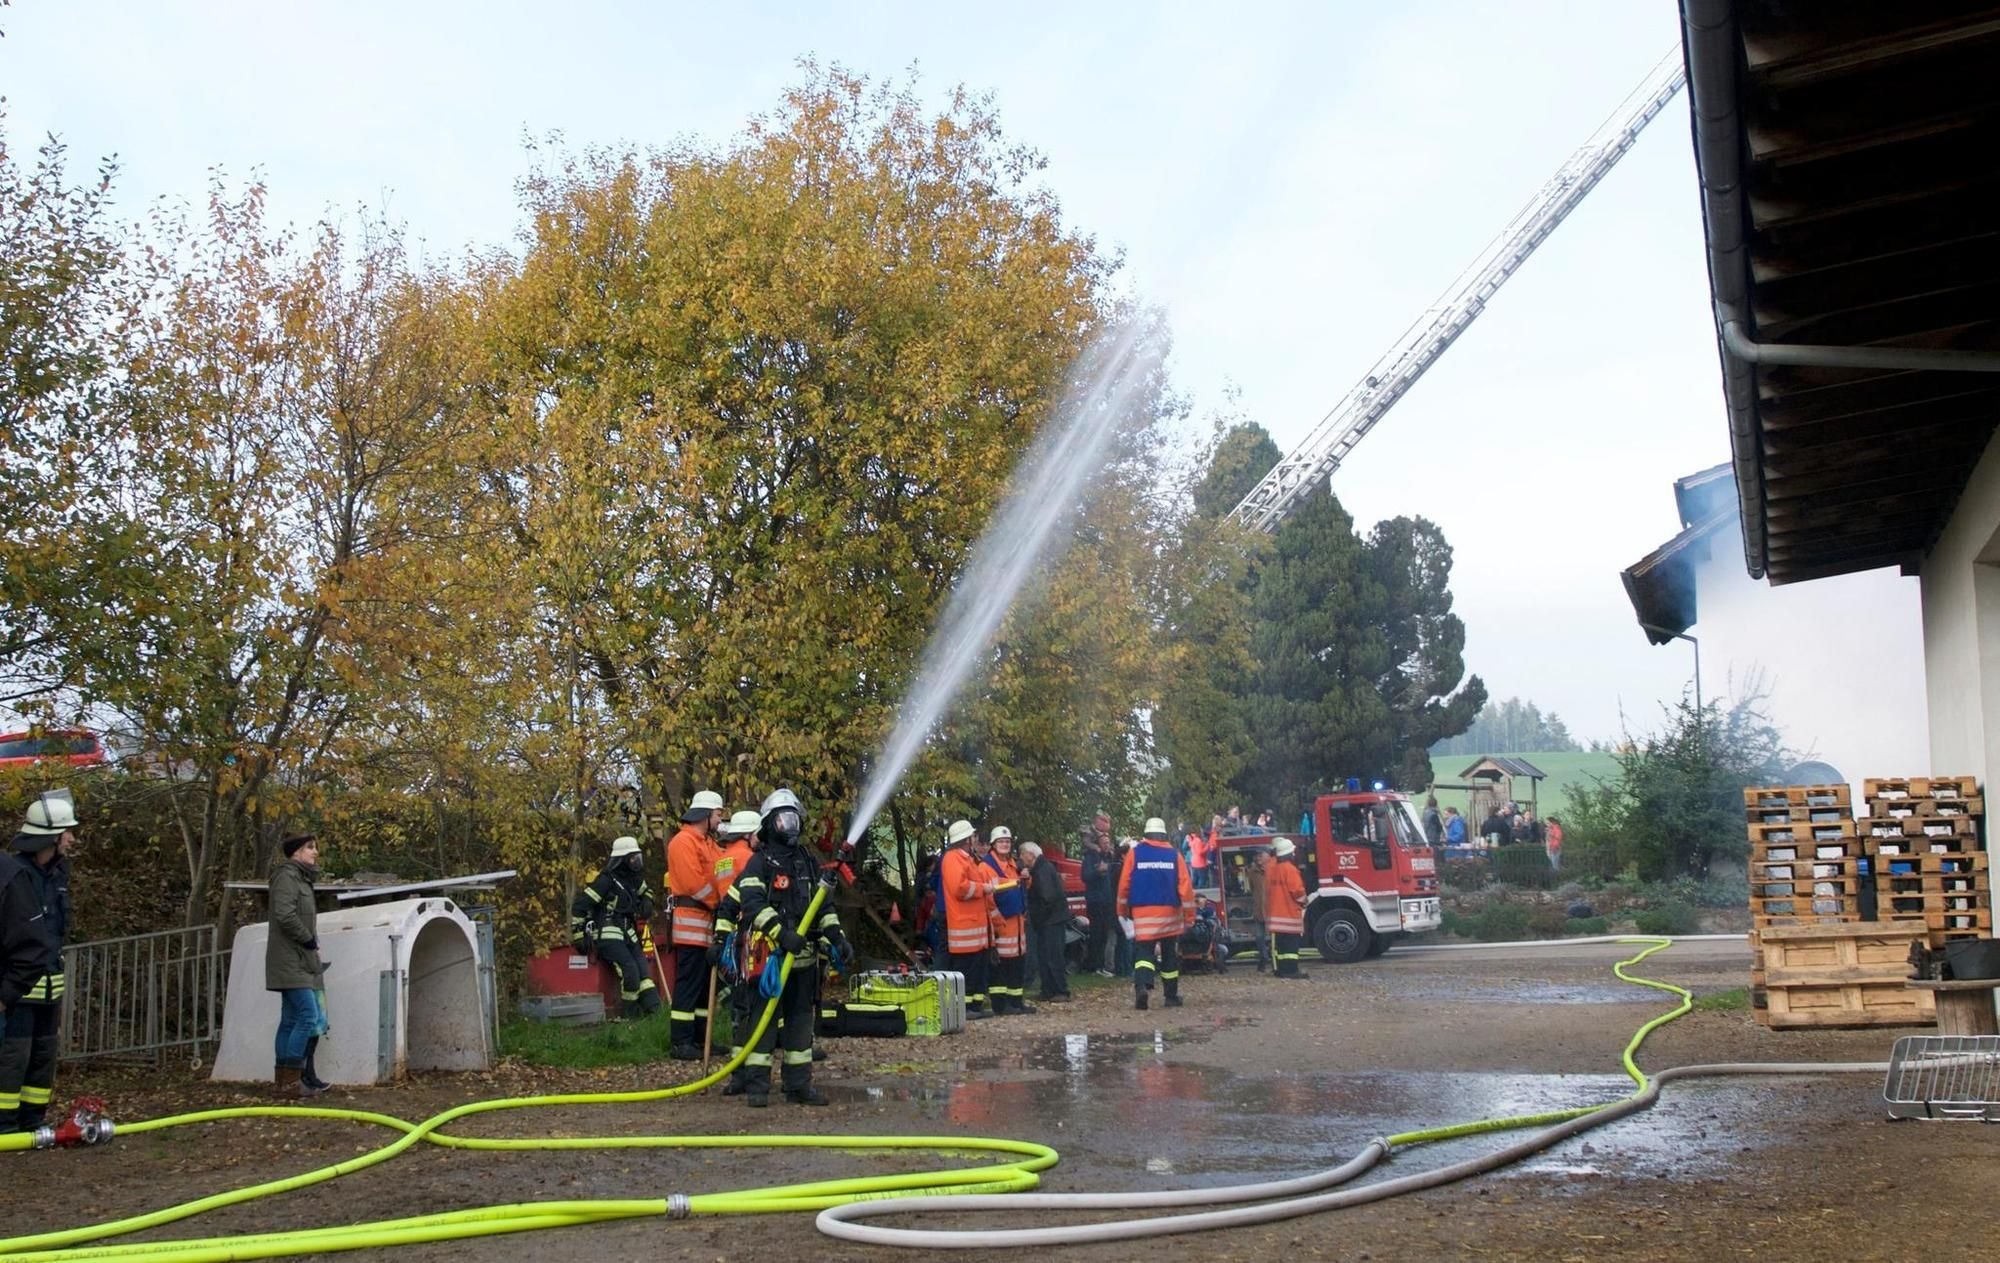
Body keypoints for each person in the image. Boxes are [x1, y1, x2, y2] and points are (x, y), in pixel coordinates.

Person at [731, 788, 850, 1107]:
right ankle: (757, 1086)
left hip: (804, 960)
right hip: (770, 958)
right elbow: (753, 905)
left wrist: (836, 936)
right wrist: (782, 935)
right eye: (784, 819)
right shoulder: (759, 863)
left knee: (800, 1023)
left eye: (794, 818)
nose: (791, 825)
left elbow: (823, 906)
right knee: (763, 1023)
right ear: (770, 824)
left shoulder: (808, 862)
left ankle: (798, 1084)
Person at [0, 792, 76, 1130]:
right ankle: (5, 1126)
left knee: (41, 1061)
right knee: (12, 1061)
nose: (73, 839)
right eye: (68, 832)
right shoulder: (15, 876)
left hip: (48, 989)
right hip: (17, 993)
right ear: (52, 837)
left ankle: (33, 1124)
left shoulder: (57, 876)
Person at [568, 836, 662, 1019]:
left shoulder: (634, 879)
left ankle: (656, 1014)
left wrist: (647, 901)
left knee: (644, 971)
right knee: (631, 971)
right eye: (633, 858)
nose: (636, 862)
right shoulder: (606, 881)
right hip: (609, 933)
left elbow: (647, 891)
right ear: (622, 860)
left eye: (638, 857)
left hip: (628, 931)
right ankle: (630, 1016)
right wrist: (579, 935)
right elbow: (580, 906)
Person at [264, 833, 328, 1099]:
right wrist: (309, 940)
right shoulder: (287, 877)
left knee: (291, 1019)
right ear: (296, 853)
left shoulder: (300, 878)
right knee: (307, 1017)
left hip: (297, 959)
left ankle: (283, 1083)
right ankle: (291, 1081)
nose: (315, 852)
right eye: (310, 848)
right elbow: (285, 915)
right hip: (290, 960)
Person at [664, 790, 725, 1060]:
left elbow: (721, 870)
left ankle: (702, 1038)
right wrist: (718, 902)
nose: (721, 820)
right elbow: (693, 883)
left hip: (705, 925)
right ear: (705, 815)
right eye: (718, 814)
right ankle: (681, 1041)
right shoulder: (683, 841)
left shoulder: (707, 842)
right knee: (688, 985)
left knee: (702, 987)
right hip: (691, 924)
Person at [710, 810, 765, 1092]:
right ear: (749, 835)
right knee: (753, 1004)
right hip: (749, 935)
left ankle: (738, 1071)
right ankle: (750, 1069)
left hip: (728, 931)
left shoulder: (722, 859)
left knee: (738, 1007)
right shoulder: (750, 860)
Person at [1117, 818, 1195, 1011]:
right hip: (1170, 913)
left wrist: (1122, 910)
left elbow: (1124, 884)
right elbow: (1185, 888)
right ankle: (1170, 996)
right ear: (1163, 835)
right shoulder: (1173, 855)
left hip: (1143, 913)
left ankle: (1142, 987)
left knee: (1144, 953)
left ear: (1146, 835)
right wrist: (1190, 916)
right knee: (1169, 954)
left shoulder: (1135, 854)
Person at [939, 820, 999, 1019]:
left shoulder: (965, 858)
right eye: (972, 836)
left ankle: (976, 1006)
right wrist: (984, 889)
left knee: (977, 971)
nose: (974, 839)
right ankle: (965, 1009)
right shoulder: (952, 859)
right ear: (966, 839)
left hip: (975, 930)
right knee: (966, 972)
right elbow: (959, 888)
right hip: (965, 930)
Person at [982, 828, 1034, 1015]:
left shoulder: (1014, 865)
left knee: (1017, 965)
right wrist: (998, 923)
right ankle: (1001, 1005)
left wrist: (1027, 880)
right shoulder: (986, 867)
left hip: (1017, 924)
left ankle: (1016, 1003)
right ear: (993, 845)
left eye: (1007, 841)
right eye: (1001, 841)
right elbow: (987, 900)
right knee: (1000, 967)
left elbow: (1019, 889)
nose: (1005, 844)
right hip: (1002, 926)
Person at [1021, 842, 1071, 1003]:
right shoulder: (1042, 868)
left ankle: (1060, 990)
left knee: (1053, 957)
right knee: (1045, 957)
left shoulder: (1042, 870)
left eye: (1022, 854)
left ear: (1030, 854)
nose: (1021, 858)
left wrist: (1037, 915)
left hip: (1051, 920)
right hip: (1049, 920)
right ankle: (1048, 990)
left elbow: (1047, 897)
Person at [1263, 838, 1310, 980]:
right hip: (1288, 916)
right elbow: (1297, 891)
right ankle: (1291, 971)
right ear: (1290, 853)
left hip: (1276, 916)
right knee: (1291, 948)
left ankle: (1282, 970)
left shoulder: (1273, 869)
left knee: (1280, 948)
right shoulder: (1290, 869)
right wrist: (1305, 901)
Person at [1080, 827, 1117, 979]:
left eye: (1108, 842)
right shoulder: (1090, 857)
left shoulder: (1108, 857)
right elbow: (1085, 875)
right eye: (1104, 842)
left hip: (1107, 900)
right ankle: (1095, 965)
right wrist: (1098, 871)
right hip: (1096, 900)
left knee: (1104, 933)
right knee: (1096, 933)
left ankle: (1101, 965)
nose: (1107, 845)